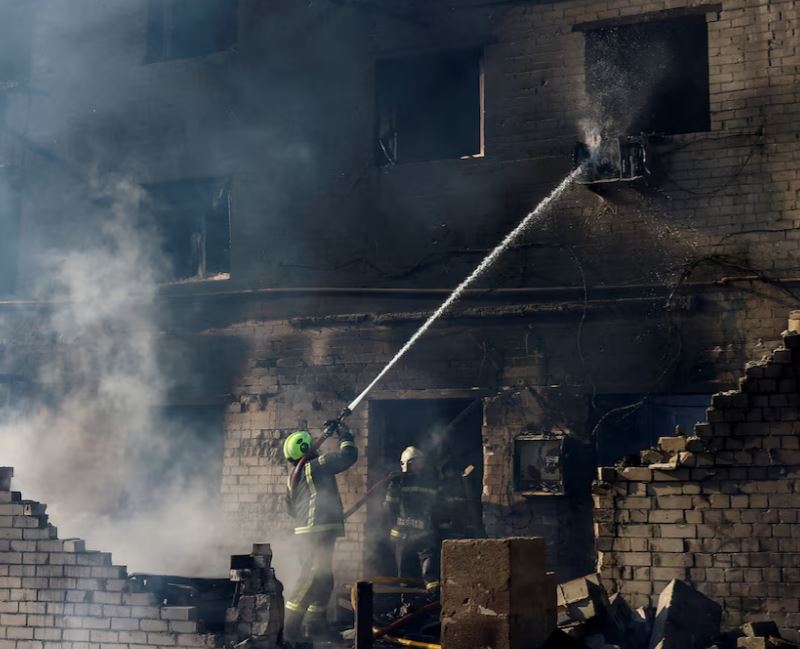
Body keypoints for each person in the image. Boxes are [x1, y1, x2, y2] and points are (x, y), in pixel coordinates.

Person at [283, 424, 358, 646]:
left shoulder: (293, 478)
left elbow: (290, 508)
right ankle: (289, 630)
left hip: (311, 531)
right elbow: (348, 456)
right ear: (306, 448)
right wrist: (345, 434)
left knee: (324, 579)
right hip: (317, 532)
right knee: (312, 577)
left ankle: (315, 625)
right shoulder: (318, 465)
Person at [383, 446, 440, 597]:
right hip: (403, 535)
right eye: (415, 463)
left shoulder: (427, 482)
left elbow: (435, 507)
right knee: (405, 574)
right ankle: (407, 604)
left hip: (422, 534)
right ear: (406, 464)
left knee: (430, 573)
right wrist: (395, 525)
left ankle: (432, 600)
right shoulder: (397, 483)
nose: (419, 466)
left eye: (420, 463)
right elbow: (389, 509)